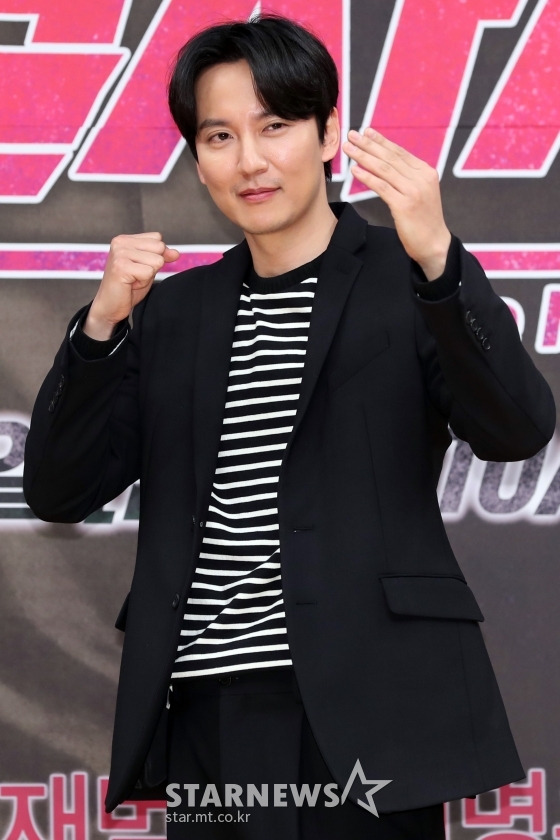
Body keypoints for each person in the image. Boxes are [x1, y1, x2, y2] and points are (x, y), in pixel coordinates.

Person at [23, 12, 555, 840]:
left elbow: (517, 428)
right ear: (198, 159)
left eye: (275, 126)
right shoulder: (172, 313)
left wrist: (440, 261)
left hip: (370, 705)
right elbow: (58, 490)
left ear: (329, 133)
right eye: (220, 136)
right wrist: (98, 331)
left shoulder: (409, 278)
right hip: (207, 709)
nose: (250, 160)